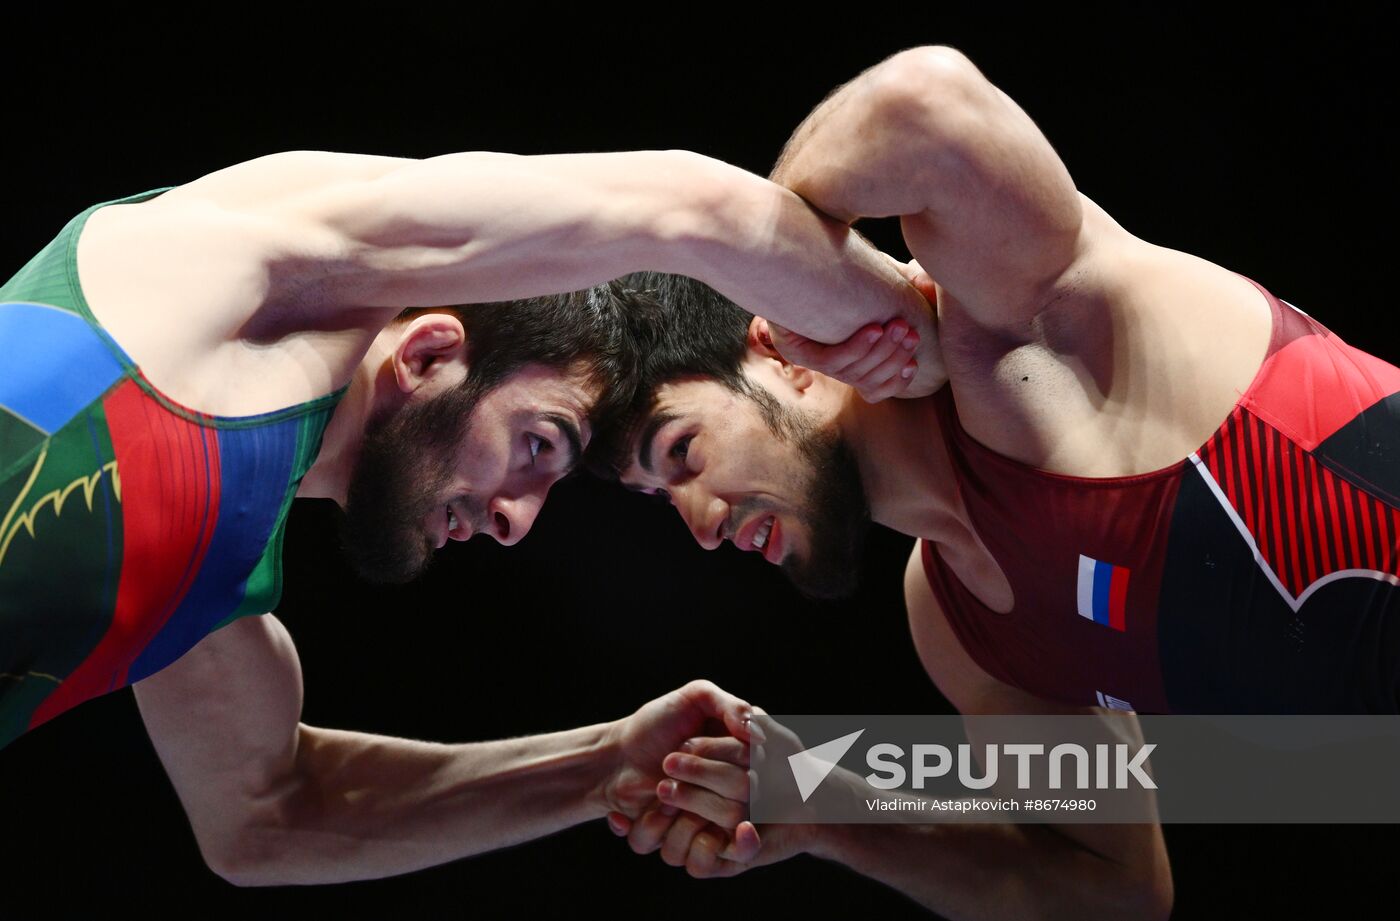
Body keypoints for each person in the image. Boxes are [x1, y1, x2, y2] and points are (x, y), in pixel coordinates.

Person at [600, 43, 1399, 918]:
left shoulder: (1006, 343)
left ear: (778, 355)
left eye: (680, 452)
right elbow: (1117, 889)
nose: (698, 522)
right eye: (657, 498)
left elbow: (922, 102)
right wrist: (828, 808)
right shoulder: (959, 629)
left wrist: (807, 286)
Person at [0, 149, 937, 882]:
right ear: (429, 353)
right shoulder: (231, 263)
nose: (517, 524)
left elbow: (267, 818)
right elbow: (689, 206)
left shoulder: (206, 584)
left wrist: (603, 763)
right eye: (540, 442)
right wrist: (910, 332)